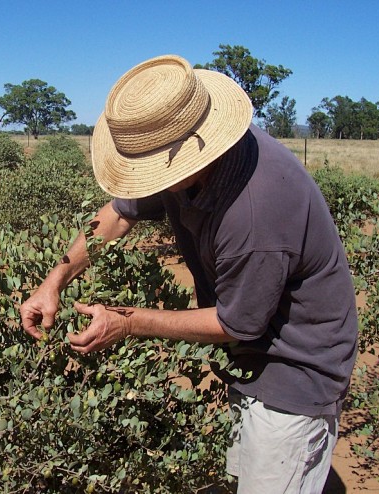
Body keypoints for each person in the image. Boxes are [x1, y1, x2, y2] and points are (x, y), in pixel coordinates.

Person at [19, 55, 358, 493]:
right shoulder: (189, 160)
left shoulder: (256, 211)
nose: (148, 180)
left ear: (188, 147)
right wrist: (53, 282)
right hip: (247, 358)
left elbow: (237, 322)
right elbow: (118, 215)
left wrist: (128, 322)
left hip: (297, 370)